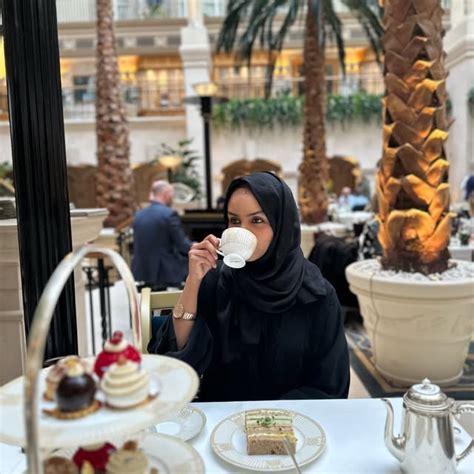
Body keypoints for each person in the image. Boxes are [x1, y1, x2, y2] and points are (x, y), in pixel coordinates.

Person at [149, 172, 350, 401]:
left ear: (281, 225)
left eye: (256, 221)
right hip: (221, 416)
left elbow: (330, 386)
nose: (242, 231)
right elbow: (175, 364)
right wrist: (193, 282)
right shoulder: (216, 280)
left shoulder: (317, 295)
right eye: (235, 221)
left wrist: (267, 417)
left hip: (291, 419)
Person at [131, 180, 192, 289]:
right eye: (172, 195)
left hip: (141, 271)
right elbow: (182, 244)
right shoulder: (169, 214)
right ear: (166, 194)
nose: (172, 199)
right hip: (164, 271)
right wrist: (198, 246)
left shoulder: (138, 215)